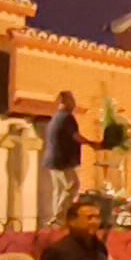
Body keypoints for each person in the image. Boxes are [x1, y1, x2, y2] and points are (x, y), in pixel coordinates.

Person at [42, 91, 101, 226]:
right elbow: (75, 136)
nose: (74, 104)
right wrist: (92, 144)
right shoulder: (67, 118)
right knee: (72, 186)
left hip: (53, 159)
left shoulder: (55, 118)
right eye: (72, 100)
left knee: (59, 189)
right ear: (66, 102)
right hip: (63, 160)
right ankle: (59, 217)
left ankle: (56, 217)